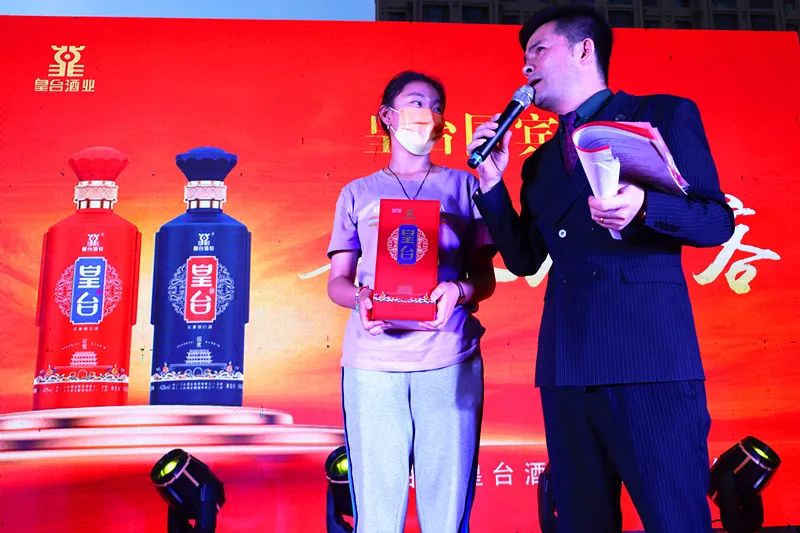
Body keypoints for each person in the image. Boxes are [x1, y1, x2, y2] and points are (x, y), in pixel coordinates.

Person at [468, 7, 735, 532]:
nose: (526, 66)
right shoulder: (539, 163)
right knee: (582, 522)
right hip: (567, 366)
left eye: (538, 50)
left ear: (584, 49)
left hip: (650, 363)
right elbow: (524, 259)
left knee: (676, 519)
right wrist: (492, 186)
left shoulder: (663, 114)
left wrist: (646, 207)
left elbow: (716, 221)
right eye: (524, 57)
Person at [326, 70, 496, 532]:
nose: (429, 114)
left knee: (446, 508)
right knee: (377, 511)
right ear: (387, 116)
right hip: (372, 361)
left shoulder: (466, 187)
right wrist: (360, 298)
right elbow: (338, 282)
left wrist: (458, 291)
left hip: (449, 356)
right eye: (417, 103)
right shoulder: (357, 192)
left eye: (437, 107)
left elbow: (483, 278)